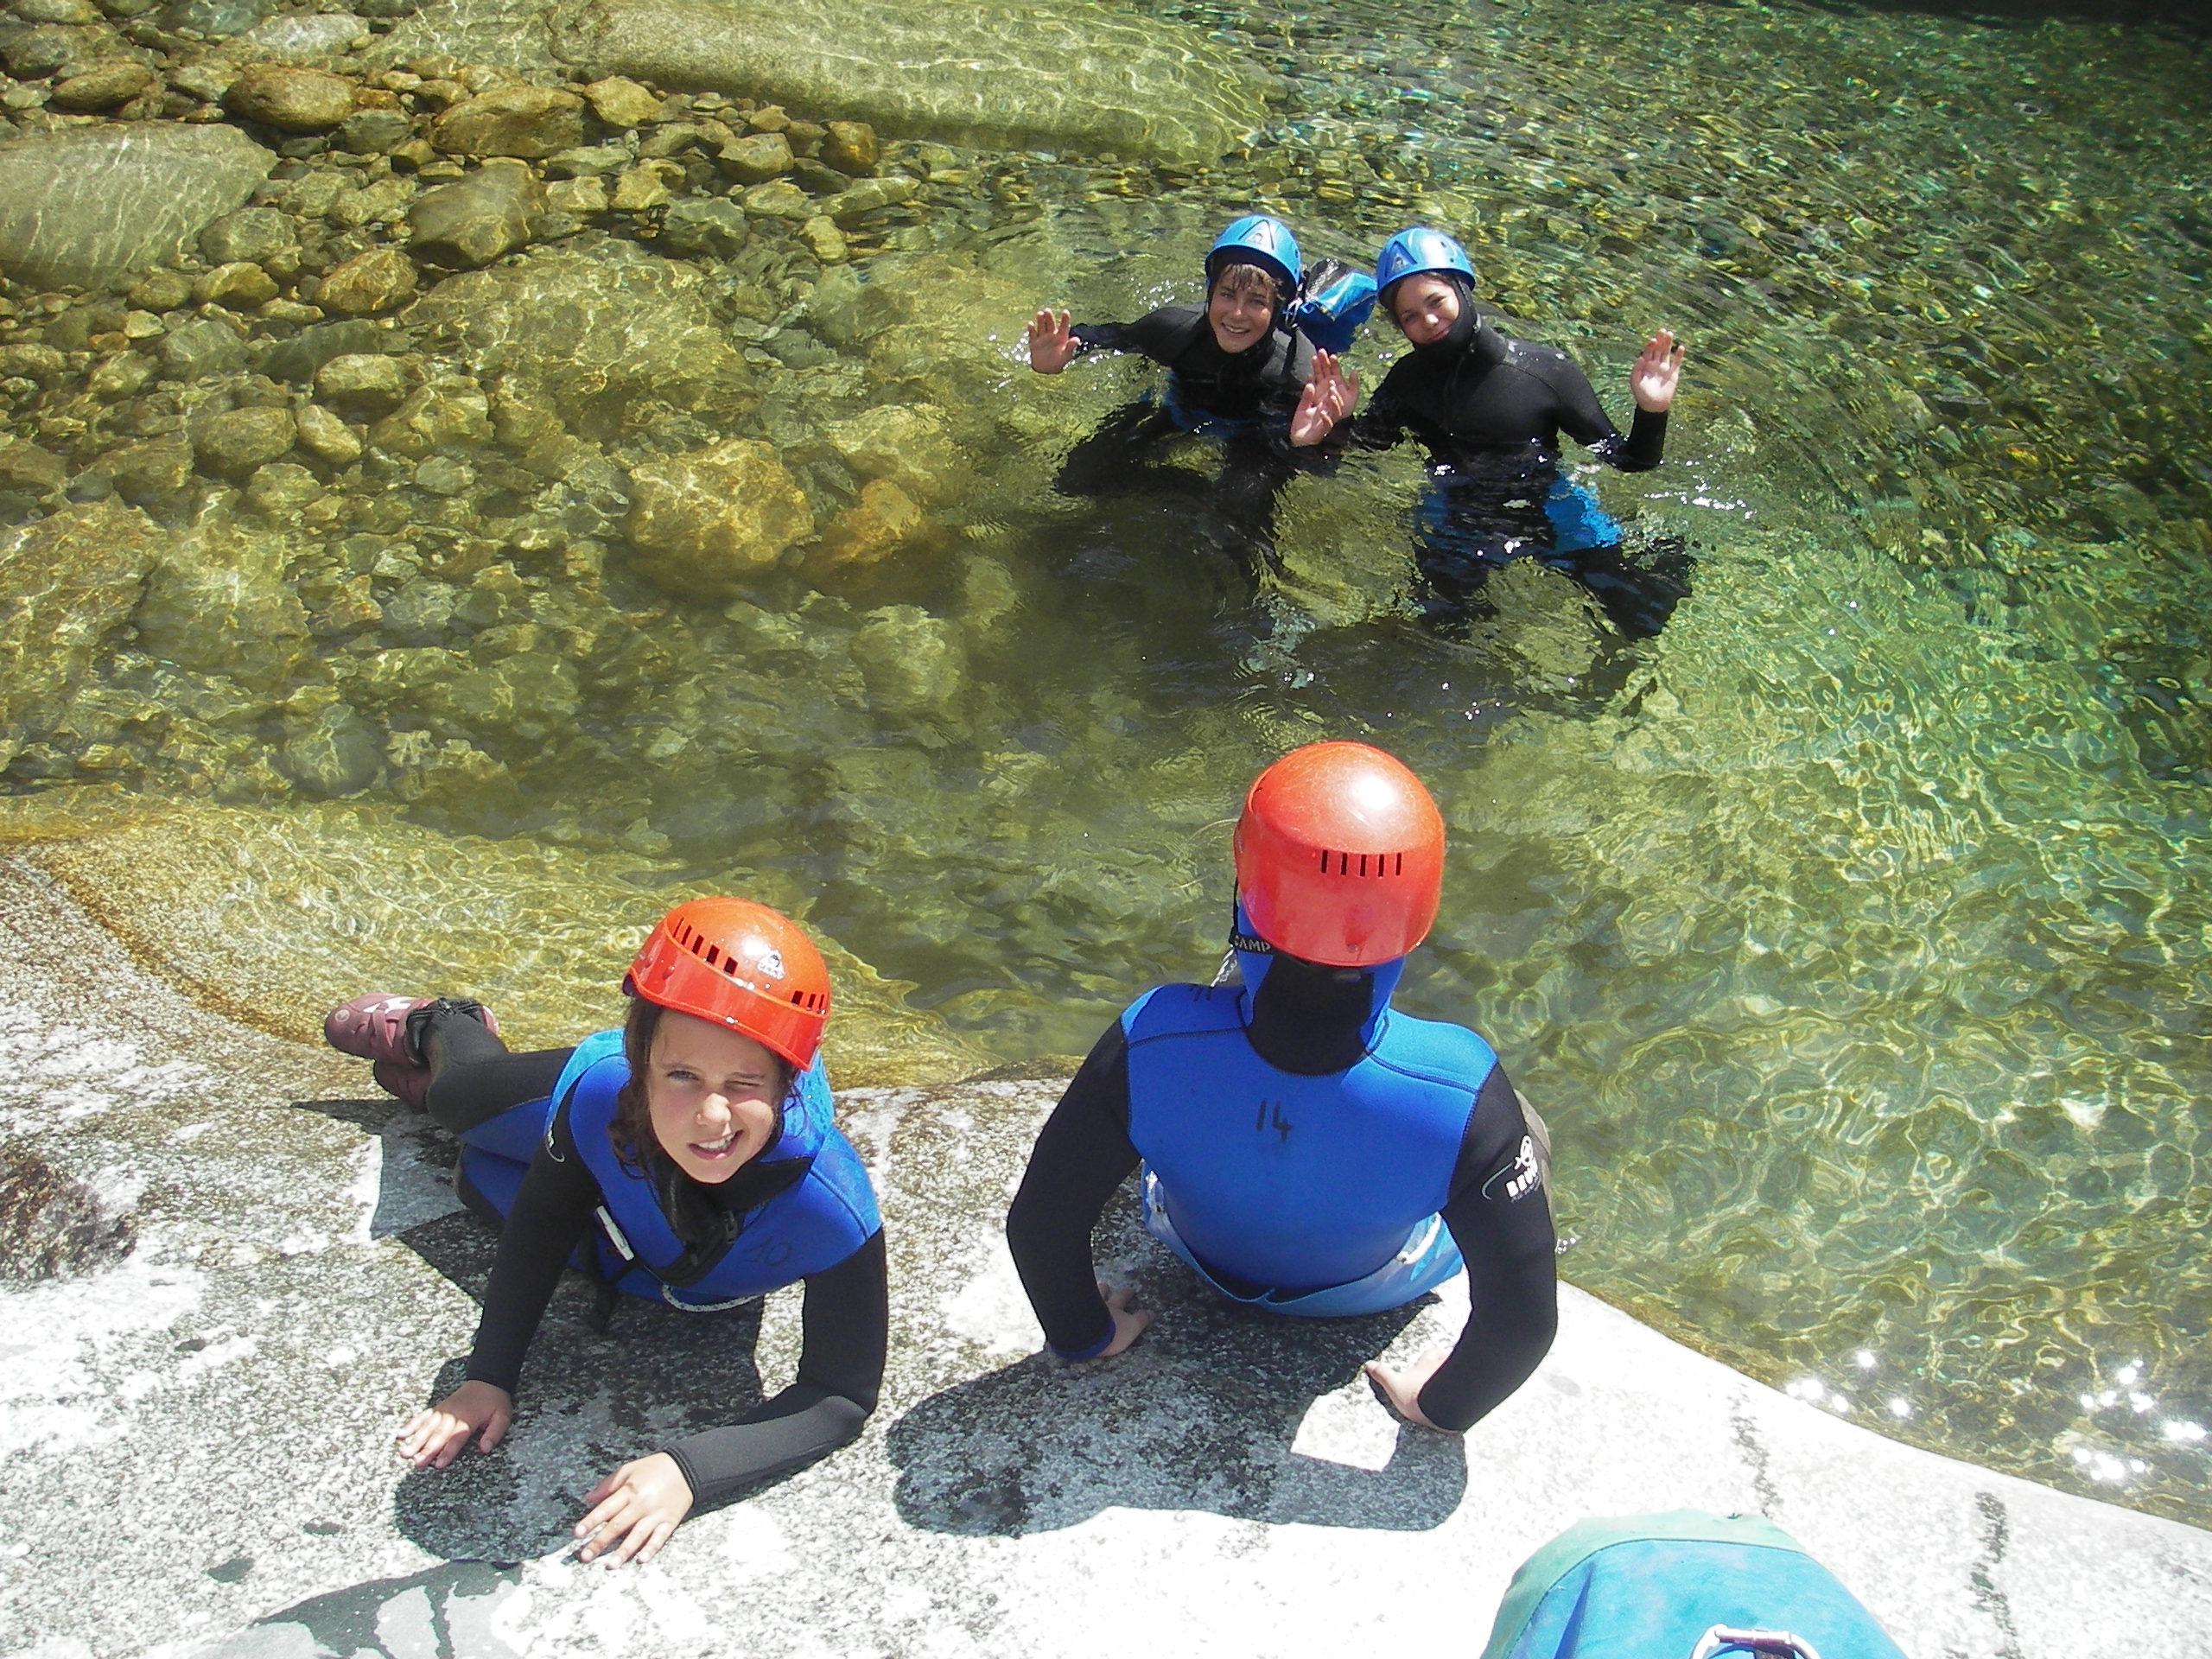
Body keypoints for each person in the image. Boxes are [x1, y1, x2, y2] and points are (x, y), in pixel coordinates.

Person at [1003, 741, 1558, 1434]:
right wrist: (1440, 1404)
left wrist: (1085, 1333)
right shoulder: (1461, 1082)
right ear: (1418, 910)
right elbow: (1524, 1322)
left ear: (1247, 892)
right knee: (1523, 1126)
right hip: (1366, 1292)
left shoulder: (1151, 1032)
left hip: (1191, 1251)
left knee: (1178, 1060)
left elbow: (1038, 1225)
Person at [324, 897, 886, 1567]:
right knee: (458, 1104)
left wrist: (687, 1470)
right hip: (623, 1123)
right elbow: (541, 1220)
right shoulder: (601, 1091)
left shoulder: (831, 1203)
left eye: (744, 1085)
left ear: (786, 1083)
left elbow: (840, 1395)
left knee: (479, 1177)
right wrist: (487, 1376)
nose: (712, 1116)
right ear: (639, 1059)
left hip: (659, 1199)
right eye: (683, 1076)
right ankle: (444, 1024)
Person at [1296, 226, 1690, 638]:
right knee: (1435, 634)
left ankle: (1669, 557)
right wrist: (1336, 422)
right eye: (1409, 316)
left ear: (1463, 289)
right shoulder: (1406, 383)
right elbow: (1364, 453)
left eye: (1436, 301)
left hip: (1550, 508)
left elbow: (1630, 461)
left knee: (1643, 619)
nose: (1428, 321)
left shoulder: (1546, 372)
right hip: (1458, 517)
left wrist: (1652, 409)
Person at [1023, 214, 1359, 577]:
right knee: (1076, 478)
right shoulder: (1174, 329)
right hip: (1180, 411)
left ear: (1278, 308)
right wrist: (1057, 359)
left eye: (1257, 301)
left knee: (1236, 528)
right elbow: (1107, 336)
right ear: (1209, 292)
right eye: (1227, 294)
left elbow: (1327, 463)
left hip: (1256, 436)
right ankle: (1184, 490)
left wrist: (1307, 443)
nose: (1237, 314)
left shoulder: (1297, 368)